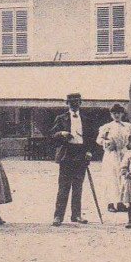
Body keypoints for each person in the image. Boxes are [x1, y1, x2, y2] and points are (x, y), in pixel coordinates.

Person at [96, 103, 131, 213]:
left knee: (122, 177)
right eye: (114, 113)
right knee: (111, 177)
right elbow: (99, 140)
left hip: (124, 153)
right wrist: (106, 142)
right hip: (111, 154)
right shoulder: (107, 127)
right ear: (111, 114)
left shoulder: (127, 126)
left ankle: (120, 203)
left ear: (122, 114)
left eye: (119, 113)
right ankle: (110, 203)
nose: (117, 115)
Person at [50, 92, 93, 226]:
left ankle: (76, 215)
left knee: (78, 186)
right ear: (67, 103)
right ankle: (58, 216)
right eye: (71, 102)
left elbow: (91, 137)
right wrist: (62, 133)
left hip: (81, 153)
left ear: (80, 103)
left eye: (77, 101)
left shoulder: (86, 119)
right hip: (67, 153)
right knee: (64, 186)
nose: (74, 104)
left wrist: (89, 151)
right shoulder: (61, 118)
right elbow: (52, 135)